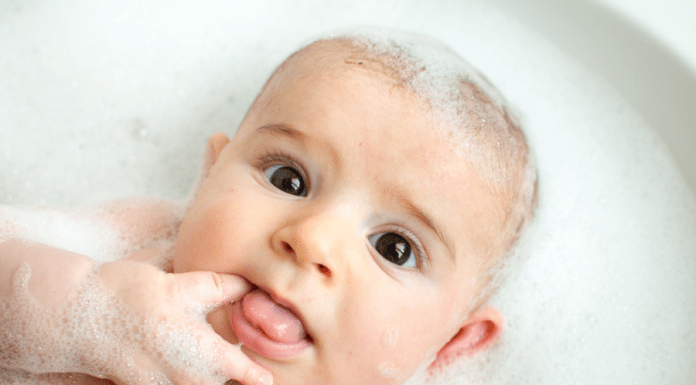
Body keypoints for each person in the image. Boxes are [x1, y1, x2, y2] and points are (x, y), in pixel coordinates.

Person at [0, 28, 537, 385]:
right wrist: (77, 314)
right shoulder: (133, 256)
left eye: (394, 248)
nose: (312, 239)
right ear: (209, 177)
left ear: (453, 346)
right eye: (290, 178)